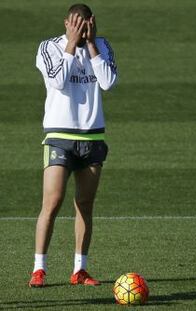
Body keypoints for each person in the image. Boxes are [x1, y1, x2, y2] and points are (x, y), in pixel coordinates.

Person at [29, 3, 117, 287]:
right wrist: (70, 44)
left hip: (92, 137)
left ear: (92, 23)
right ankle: (39, 269)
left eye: (84, 24)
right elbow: (56, 80)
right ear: (66, 22)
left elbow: (108, 82)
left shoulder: (102, 46)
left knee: (85, 204)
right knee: (52, 202)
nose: (79, 29)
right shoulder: (49, 47)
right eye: (74, 24)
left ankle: (80, 269)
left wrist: (91, 46)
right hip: (60, 136)